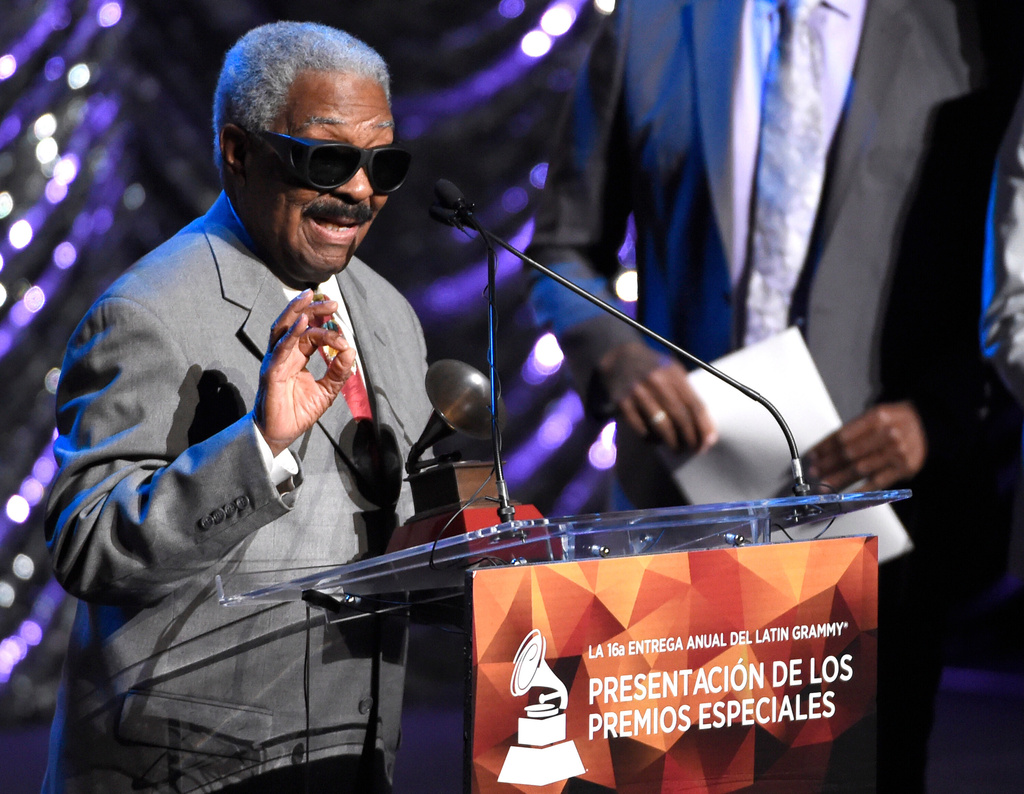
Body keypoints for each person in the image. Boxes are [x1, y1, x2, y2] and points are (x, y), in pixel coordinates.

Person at [527, 0, 1023, 790]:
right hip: (681, 509)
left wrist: (939, 413)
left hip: (874, 524)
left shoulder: (966, 31)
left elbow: (1008, 277)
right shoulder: (652, 24)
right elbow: (563, 249)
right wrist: (617, 358)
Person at [42, 21, 432, 793]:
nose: (359, 190)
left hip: (352, 756)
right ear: (239, 152)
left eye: (382, 164)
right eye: (328, 159)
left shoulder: (388, 314)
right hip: (190, 769)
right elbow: (88, 545)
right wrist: (258, 448)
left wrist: (480, 538)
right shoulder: (147, 313)